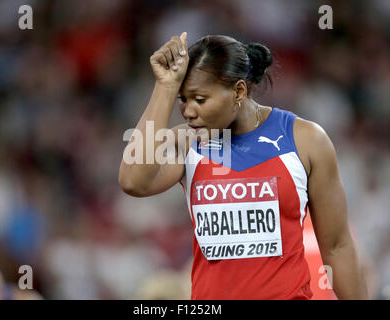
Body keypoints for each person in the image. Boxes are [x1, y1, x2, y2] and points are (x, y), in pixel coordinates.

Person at [118, 32, 368, 299]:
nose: (189, 112)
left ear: (238, 90)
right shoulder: (187, 142)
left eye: (200, 100)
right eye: (183, 99)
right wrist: (165, 87)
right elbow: (134, 181)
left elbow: (338, 246)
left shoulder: (305, 140)